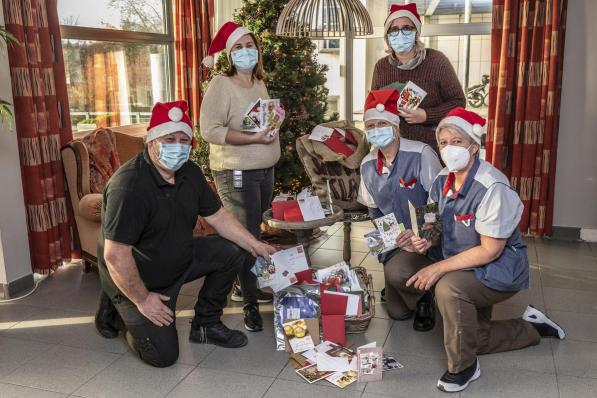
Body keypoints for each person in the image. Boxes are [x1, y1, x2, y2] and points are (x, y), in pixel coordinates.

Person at [94, 100, 277, 368]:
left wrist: (255, 245)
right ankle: (118, 307)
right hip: (141, 278)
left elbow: (220, 217)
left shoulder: (189, 172)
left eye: (184, 140)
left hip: (178, 257)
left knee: (233, 251)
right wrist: (143, 300)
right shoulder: (129, 187)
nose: (178, 146)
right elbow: (115, 255)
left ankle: (206, 324)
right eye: (170, 138)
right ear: (152, 140)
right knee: (163, 357)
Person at [406, 108, 565, 392]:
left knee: (448, 288)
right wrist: (425, 241)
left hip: (496, 269)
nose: (448, 149)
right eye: (443, 143)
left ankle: (464, 367)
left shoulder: (493, 186)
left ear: (474, 146)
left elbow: (490, 251)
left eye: (457, 141)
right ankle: (533, 327)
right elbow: (431, 227)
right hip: (463, 263)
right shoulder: (441, 180)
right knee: (471, 336)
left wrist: (437, 267)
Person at [200, 21, 282, 332]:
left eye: (250, 46)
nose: (245, 52)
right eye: (238, 47)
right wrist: (252, 139)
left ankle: (250, 286)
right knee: (246, 238)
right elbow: (210, 130)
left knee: (255, 234)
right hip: (237, 173)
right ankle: (249, 306)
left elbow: (259, 124)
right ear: (229, 54)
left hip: (264, 170)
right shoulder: (222, 84)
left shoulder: (259, 84)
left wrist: (270, 129)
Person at [357, 89, 442, 332]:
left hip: (427, 240)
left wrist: (425, 238)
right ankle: (412, 285)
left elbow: (438, 202)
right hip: (395, 240)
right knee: (397, 313)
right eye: (370, 125)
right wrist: (395, 239)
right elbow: (374, 212)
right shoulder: (367, 165)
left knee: (397, 273)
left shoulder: (421, 154)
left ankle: (426, 296)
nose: (376, 129)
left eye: (381, 123)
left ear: (395, 126)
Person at [371, 3, 466, 153]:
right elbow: (375, 108)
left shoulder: (436, 60)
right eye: (394, 29)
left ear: (416, 32)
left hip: (433, 149)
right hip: (394, 151)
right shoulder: (381, 67)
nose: (400, 33)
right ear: (387, 35)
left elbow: (459, 102)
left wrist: (426, 115)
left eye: (407, 28)